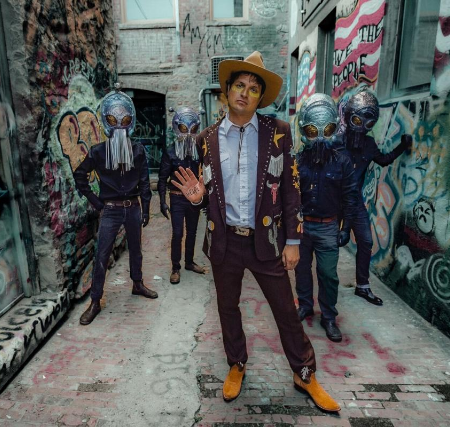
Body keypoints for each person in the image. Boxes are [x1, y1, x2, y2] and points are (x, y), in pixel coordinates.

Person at [172, 52, 340, 412]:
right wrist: (199, 199)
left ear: (260, 97)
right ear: (227, 90)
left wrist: (293, 240)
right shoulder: (207, 139)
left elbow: (291, 188)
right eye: (239, 85)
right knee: (227, 308)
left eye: (253, 88)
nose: (244, 93)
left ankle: (304, 373)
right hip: (224, 241)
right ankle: (237, 363)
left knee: (285, 310)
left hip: (266, 241)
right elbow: (209, 194)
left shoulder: (278, 132)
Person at [74, 85, 157, 326]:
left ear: (131, 121)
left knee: (136, 249)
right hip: (110, 209)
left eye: (125, 119)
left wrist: (146, 208)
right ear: (106, 121)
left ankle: (137, 283)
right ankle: (95, 300)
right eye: (114, 119)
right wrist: (97, 203)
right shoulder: (98, 152)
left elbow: (144, 182)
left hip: (132, 207)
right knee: (102, 254)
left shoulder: (137, 150)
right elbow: (80, 176)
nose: (120, 125)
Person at [294, 94, 361, 342]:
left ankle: (329, 316)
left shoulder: (342, 162)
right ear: (305, 130)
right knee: (301, 270)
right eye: (313, 131)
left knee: (328, 274)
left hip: (327, 227)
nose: (320, 137)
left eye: (327, 130)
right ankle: (305, 305)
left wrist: (346, 228)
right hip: (303, 226)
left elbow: (350, 196)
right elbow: (290, 197)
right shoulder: (297, 161)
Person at [342, 87, 412, 306]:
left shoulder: (369, 144)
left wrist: (402, 146)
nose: (361, 127)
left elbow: (383, 159)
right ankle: (323, 289)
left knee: (365, 241)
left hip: (355, 203)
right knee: (328, 245)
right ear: (349, 117)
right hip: (334, 202)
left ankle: (363, 286)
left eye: (368, 123)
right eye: (357, 120)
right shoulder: (336, 141)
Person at [158, 108, 207, 284]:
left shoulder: (199, 151)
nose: (188, 134)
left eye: (192, 129)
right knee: (178, 233)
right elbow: (162, 179)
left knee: (192, 231)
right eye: (184, 129)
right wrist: (162, 202)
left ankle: (189, 262)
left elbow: (205, 174)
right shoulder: (170, 152)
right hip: (177, 197)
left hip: (194, 197)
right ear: (177, 128)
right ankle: (175, 267)